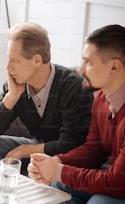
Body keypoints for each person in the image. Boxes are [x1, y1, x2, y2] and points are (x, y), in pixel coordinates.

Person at [0, 22, 94, 174]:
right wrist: (12, 96)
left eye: (15, 61)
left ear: (37, 60)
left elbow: (72, 145)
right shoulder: (15, 85)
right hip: (39, 148)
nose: (8, 68)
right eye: (8, 59)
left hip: (67, 159)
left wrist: (24, 150)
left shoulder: (73, 86)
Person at [28, 24, 125, 203]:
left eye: (88, 62)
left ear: (114, 67)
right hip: (116, 180)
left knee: (99, 202)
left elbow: (118, 182)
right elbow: (94, 150)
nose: (80, 70)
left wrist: (60, 172)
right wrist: (56, 162)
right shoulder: (102, 98)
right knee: (56, 186)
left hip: (120, 184)